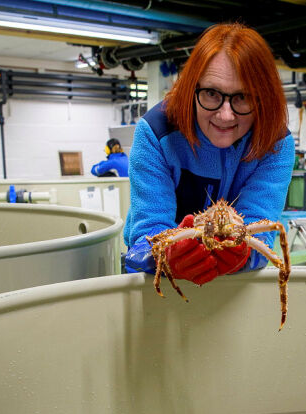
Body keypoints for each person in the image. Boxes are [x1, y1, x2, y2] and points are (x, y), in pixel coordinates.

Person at [123, 22, 295, 285]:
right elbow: (148, 230)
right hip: (155, 284)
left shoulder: (275, 143)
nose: (226, 115)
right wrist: (164, 256)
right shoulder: (156, 132)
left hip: (232, 288)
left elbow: (260, 229)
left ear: (263, 98)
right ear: (192, 87)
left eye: (243, 97)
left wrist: (245, 255)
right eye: (211, 93)